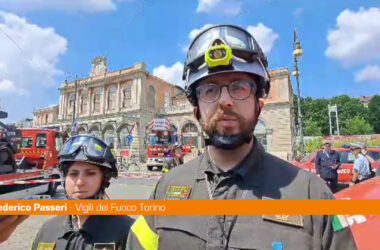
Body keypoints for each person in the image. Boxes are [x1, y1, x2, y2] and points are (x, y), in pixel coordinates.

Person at [127, 24, 356, 249]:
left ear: (259, 103)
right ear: (196, 110)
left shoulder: (312, 196)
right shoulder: (166, 188)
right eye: (210, 89)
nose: (225, 101)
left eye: (239, 87)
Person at [31, 135, 134, 250]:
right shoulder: (49, 230)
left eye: (90, 173)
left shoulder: (127, 231)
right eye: (73, 174)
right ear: (64, 178)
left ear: (104, 179)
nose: (80, 182)